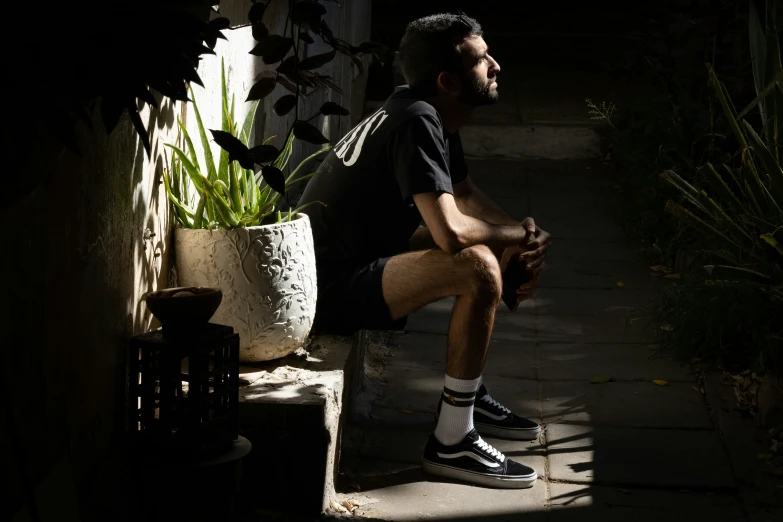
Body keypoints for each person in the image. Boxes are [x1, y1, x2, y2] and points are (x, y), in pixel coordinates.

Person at [298, 13, 551, 489]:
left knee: (489, 244)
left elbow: (467, 195)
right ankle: (452, 443)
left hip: (355, 260)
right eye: (482, 60)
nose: (495, 65)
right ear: (448, 80)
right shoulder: (417, 120)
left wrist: (523, 234)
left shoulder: (426, 112)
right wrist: (511, 239)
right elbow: (453, 232)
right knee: (476, 263)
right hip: (328, 290)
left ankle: (466, 395)